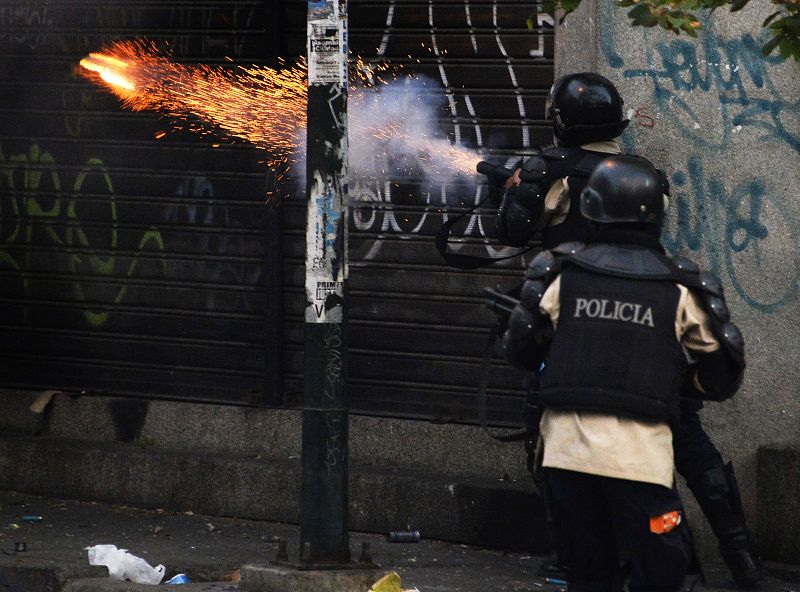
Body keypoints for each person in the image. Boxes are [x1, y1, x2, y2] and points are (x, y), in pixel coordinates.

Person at [494, 72, 762, 587]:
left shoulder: (548, 174)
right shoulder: (641, 173)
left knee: (550, 424)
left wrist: (515, 187)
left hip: (573, 322)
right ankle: (741, 556)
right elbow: (722, 370)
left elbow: (510, 234)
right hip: (654, 322)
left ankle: (579, 553)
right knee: (689, 437)